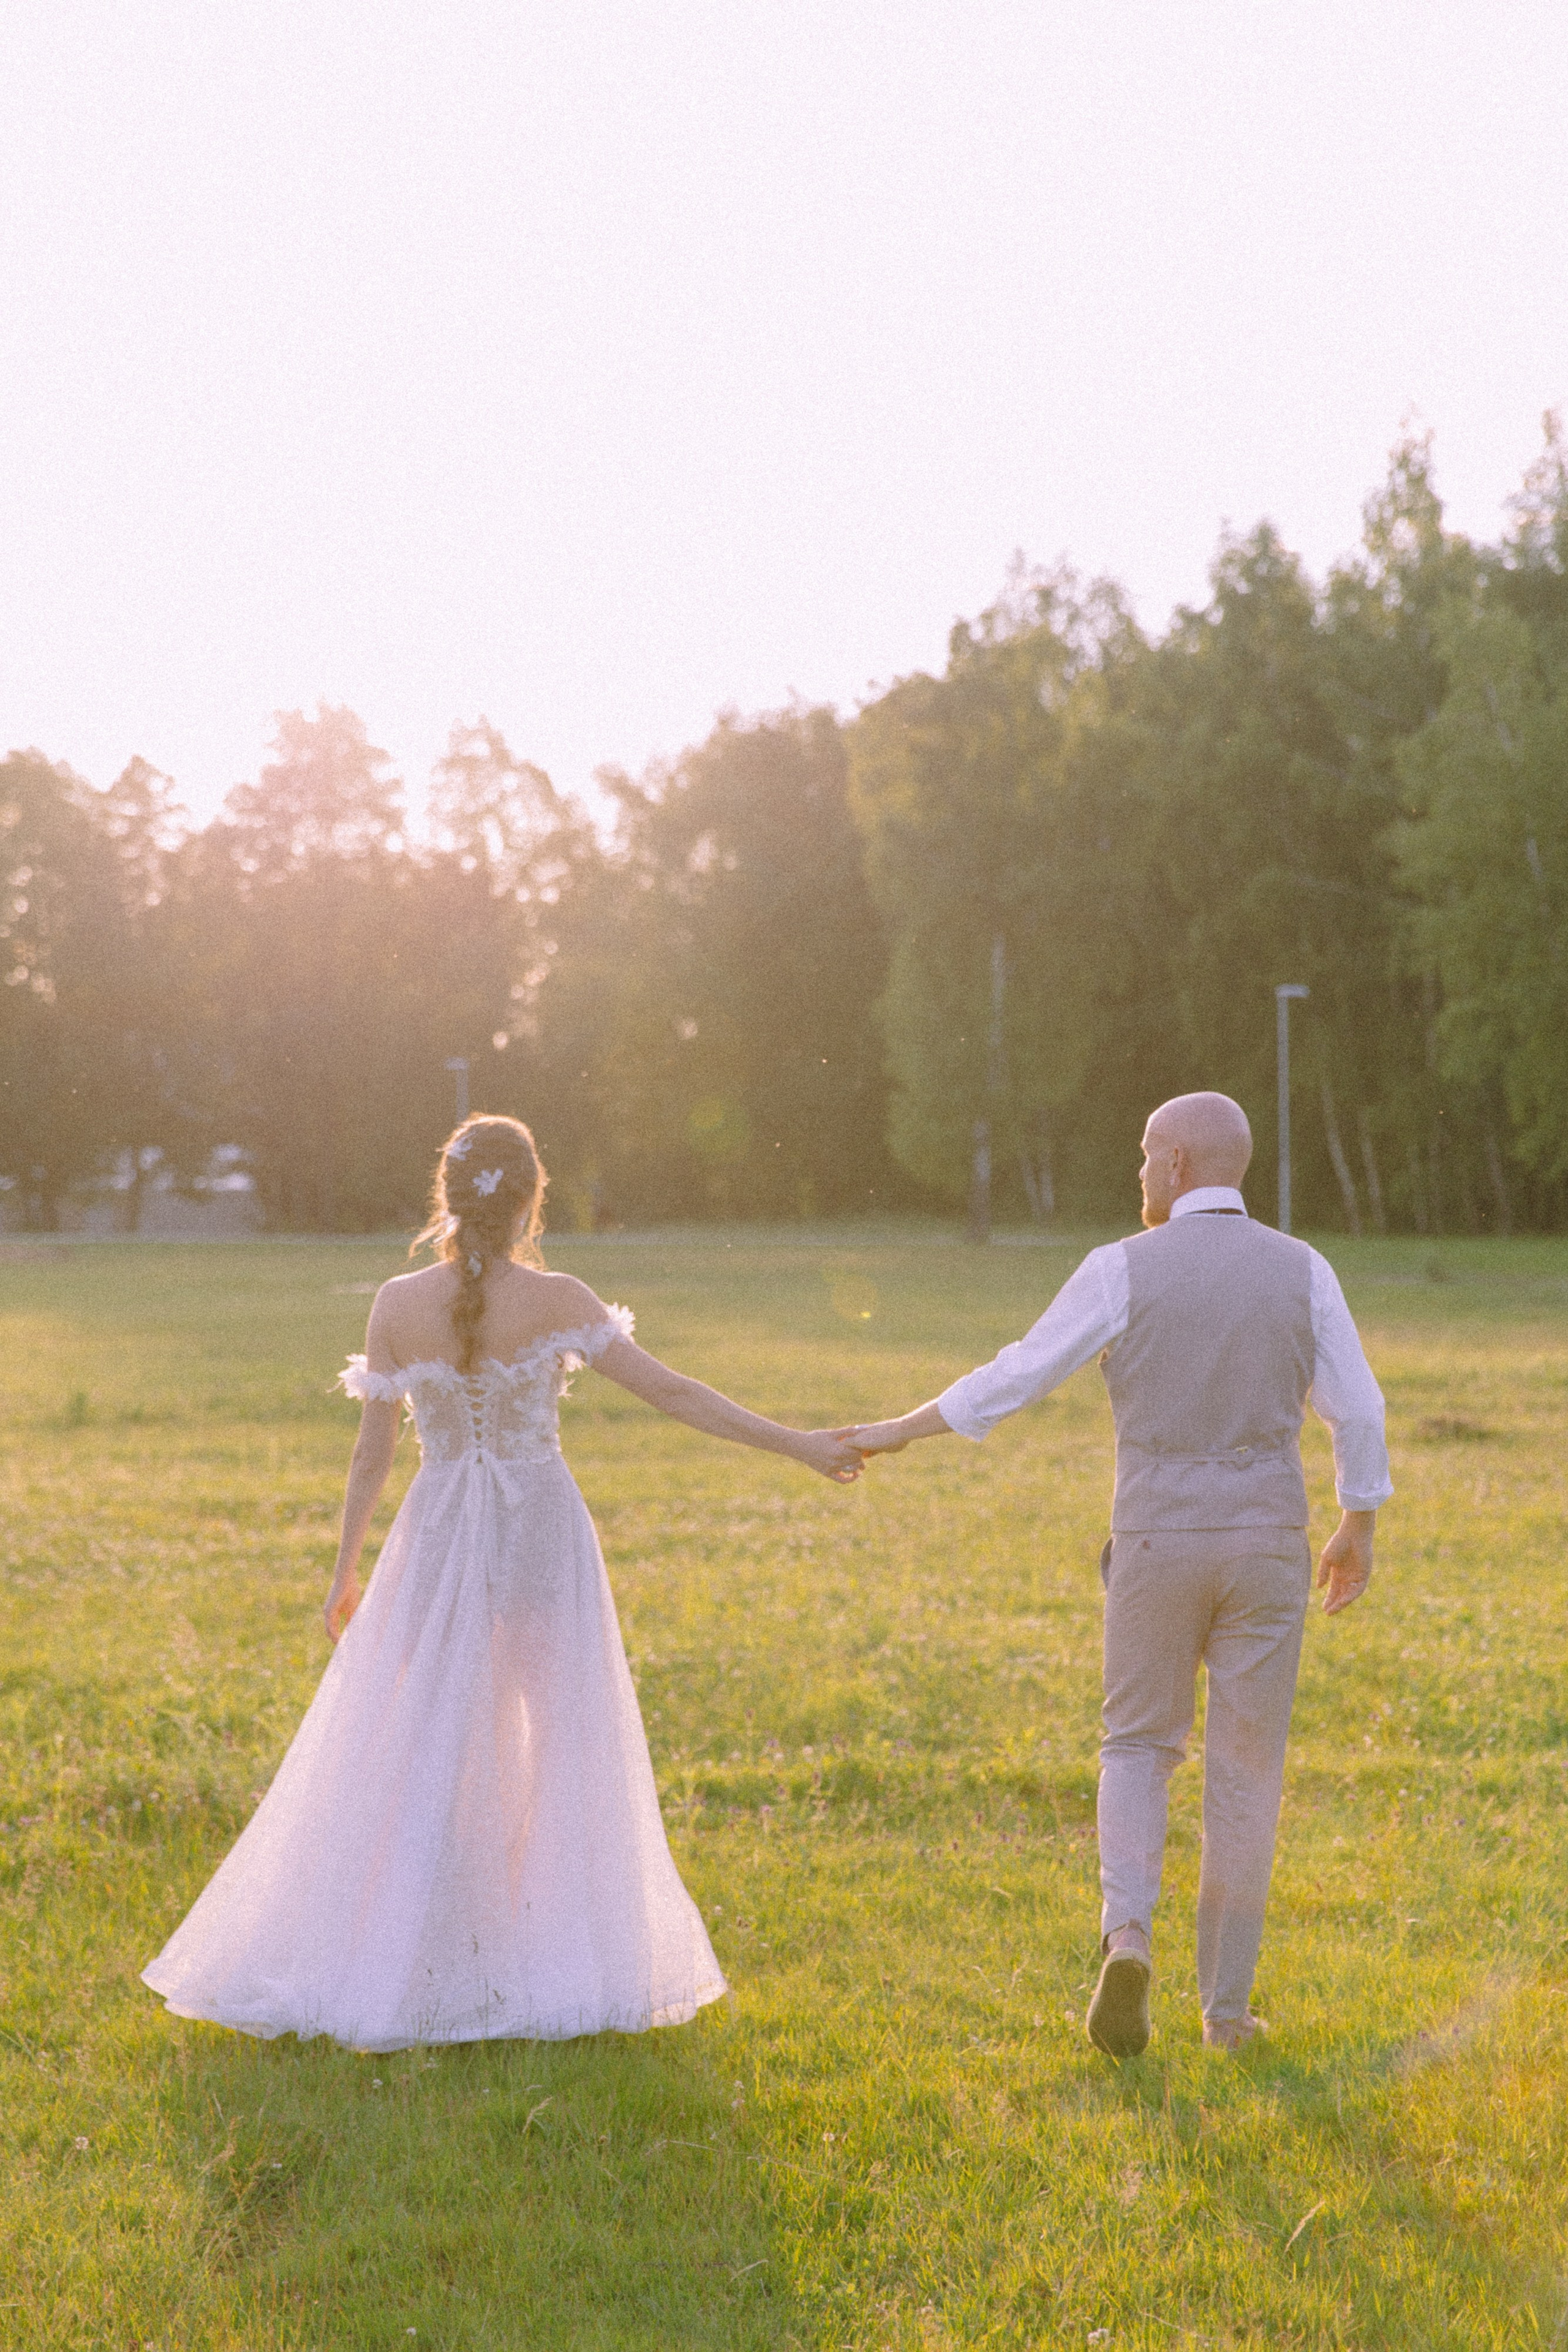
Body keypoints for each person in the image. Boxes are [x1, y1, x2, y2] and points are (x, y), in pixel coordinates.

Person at [144, 1115, 862, 2051]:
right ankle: (543, 1949)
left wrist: (345, 1570)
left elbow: (373, 1453)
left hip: (438, 1539)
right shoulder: (559, 1296)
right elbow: (677, 1394)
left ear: (445, 1196)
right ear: (533, 1196)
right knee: (558, 1738)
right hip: (534, 1537)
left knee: (424, 1739)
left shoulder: (396, 1303)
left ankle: (432, 1943)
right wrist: (799, 1445)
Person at [848, 1091, 1390, 2058]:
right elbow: (1359, 1407)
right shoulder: (1302, 1269)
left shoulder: (1120, 1270)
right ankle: (1226, 2013)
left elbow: (1015, 1375)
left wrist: (892, 1433)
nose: (1138, 1174)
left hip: (1155, 1543)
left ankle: (1128, 1936)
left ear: (1177, 1163)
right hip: (1268, 1543)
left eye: (1145, 1156)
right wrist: (1357, 1523)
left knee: (1138, 1746)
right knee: (1244, 1775)